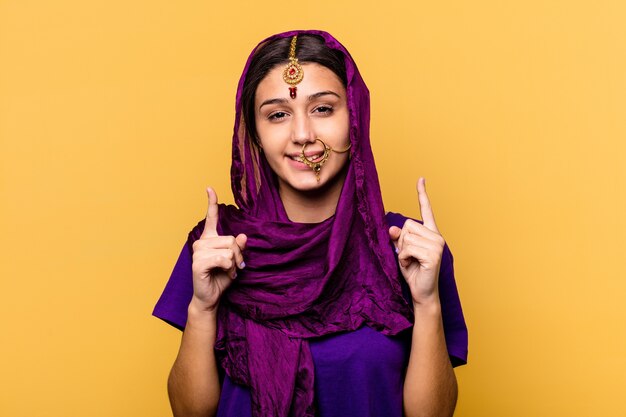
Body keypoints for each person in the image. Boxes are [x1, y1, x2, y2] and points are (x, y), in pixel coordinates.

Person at [152, 29, 468, 417]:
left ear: (355, 117)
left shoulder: (408, 249)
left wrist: (427, 301)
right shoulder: (217, 248)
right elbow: (189, 413)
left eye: (323, 109)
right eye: (278, 115)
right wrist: (202, 307)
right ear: (254, 134)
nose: (303, 135)